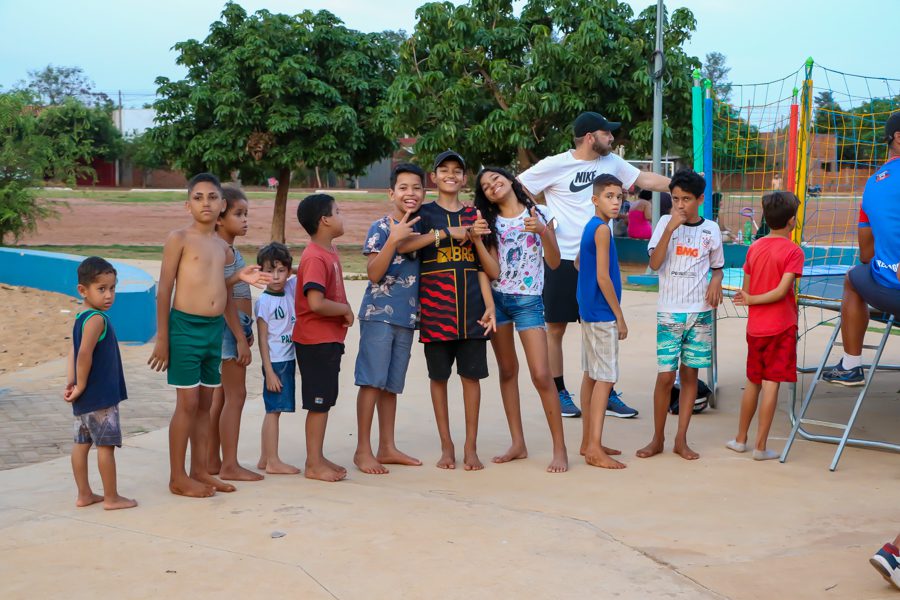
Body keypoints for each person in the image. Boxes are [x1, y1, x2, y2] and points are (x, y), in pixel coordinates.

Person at [518, 111, 671, 419]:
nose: (612, 137)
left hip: (597, 255)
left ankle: (606, 390)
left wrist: (680, 184)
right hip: (560, 256)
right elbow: (519, 186)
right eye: (607, 133)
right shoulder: (556, 164)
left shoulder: (611, 163)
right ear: (590, 137)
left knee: (601, 326)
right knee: (556, 328)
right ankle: (559, 391)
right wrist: (541, 216)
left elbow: (643, 179)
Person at [148, 173, 269, 498]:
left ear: (221, 204)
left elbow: (217, 286)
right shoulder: (179, 238)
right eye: (199, 197)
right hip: (185, 328)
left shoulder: (221, 247)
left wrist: (237, 278)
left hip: (213, 331)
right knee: (187, 403)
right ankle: (178, 476)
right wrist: (163, 337)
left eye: (212, 197)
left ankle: (200, 470)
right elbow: (165, 288)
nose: (206, 203)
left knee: (205, 403)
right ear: (188, 205)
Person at [396, 150, 498, 471]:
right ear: (434, 178)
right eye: (444, 170)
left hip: (472, 311)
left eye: (457, 170)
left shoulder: (475, 215)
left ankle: (470, 446)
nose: (451, 175)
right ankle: (446, 445)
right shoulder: (423, 214)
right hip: (436, 311)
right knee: (438, 378)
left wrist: (490, 304)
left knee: (471, 378)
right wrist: (445, 234)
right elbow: (403, 245)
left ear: (464, 178)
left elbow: (487, 269)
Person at [473, 166, 568, 473]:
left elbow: (553, 262)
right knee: (508, 370)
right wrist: (477, 241)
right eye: (486, 186)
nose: (492, 186)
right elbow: (494, 272)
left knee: (541, 374)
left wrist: (542, 231)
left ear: (510, 180)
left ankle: (559, 448)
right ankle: (518, 443)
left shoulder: (540, 212)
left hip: (528, 302)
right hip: (499, 302)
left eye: (496, 179)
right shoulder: (490, 222)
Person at [636, 169, 724, 461]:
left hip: (699, 313)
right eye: (675, 199)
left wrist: (716, 280)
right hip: (669, 313)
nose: (680, 205)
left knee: (690, 375)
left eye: (686, 199)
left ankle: (681, 439)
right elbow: (655, 262)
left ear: (700, 199)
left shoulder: (710, 229)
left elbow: (717, 266)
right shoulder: (664, 223)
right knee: (665, 376)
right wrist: (671, 228)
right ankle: (657, 438)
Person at [353, 163, 427, 475]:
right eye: (403, 188)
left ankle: (387, 446)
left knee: (391, 386)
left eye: (416, 188)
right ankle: (362, 450)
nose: (410, 194)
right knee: (372, 382)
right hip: (378, 317)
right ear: (391, 193)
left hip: (406, 318)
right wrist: (394, 238)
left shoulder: (421, 230)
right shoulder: (381, 228)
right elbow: (373, 273)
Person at [823, 112, 900, 385]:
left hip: (890, 291)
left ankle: (851, 364)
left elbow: (866, 254)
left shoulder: (873, 183)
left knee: (853, 278)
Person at [726, 192, 804, 460]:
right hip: (781, 328)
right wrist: (755, 298)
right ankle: (760, 447)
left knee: (753, 382)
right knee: (771, 384)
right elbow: (783, 291)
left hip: (755, 329)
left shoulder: (755, 247)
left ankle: (740, 439)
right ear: (792, 221)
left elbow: (746, 291)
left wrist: (750, 299)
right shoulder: (794, 251)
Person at [64, 256, 136, 510]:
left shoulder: (82, 317)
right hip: (101, 396)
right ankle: (112, 497)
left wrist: (72, 381)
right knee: (105, 446)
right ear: (83, 290)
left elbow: (73, 351)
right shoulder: (97, 319)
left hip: (84, 397)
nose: (109, 295)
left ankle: (84, 494)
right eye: (101, 289)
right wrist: (81, 384)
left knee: (81, 444)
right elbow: (83, 353)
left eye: (112, 288)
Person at [293, 193, 353, 482]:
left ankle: (316, 456)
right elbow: (315, 302)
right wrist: (344, 309)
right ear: (325, 220)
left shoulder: (327, 252)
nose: (342, 216)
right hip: (315, 341)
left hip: (327, 340)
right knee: (318, 402)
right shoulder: (315, 256)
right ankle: (313, 464)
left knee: (324, 400)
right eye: (338, 211)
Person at [208, 184, 263, 482]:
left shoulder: (224, 247)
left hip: (234, 326)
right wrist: (241, 338)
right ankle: (229, 463)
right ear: (220, 217)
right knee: (235, 395)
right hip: (229, 328)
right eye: (239, 214)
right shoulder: (224, 250)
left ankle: (212, 459)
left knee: (220, 396)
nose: (245, 220)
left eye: (246, 214)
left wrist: (245, 329)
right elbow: (225, 297)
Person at [576, 174, 629, 469]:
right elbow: (602, 277)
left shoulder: (592, 227)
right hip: (602, 315)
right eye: (609, 196)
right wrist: (619, 317)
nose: (615, 202)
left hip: (589, 311)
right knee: (606, 377)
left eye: (618, 196)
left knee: (593, 375)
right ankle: (594, 448)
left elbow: (579, 262)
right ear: (595, 200)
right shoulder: (602, 231)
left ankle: (588, 441)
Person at [255, 242, 301, 475]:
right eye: (269, 270)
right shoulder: (264, 301)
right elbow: (262, 339)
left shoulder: (289, 288)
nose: (275, 276)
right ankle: (273, 461)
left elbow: (305, 269)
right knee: (274, 410)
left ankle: (265, 458)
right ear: (260, 271)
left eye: (281, 270)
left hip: (287, 359)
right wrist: (270, 371)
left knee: (274, 409)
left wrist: (290, 266)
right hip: (276, 362)